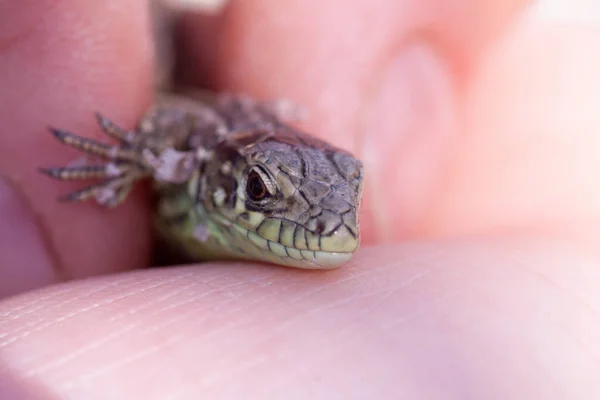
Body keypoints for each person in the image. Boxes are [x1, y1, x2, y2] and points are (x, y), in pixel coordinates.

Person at [1, 0, 599, 397]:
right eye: (264, 193)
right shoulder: (185, 159)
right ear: (219, 182)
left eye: (349, 196)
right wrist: (129, 158)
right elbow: (168, 119)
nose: (331, 229)